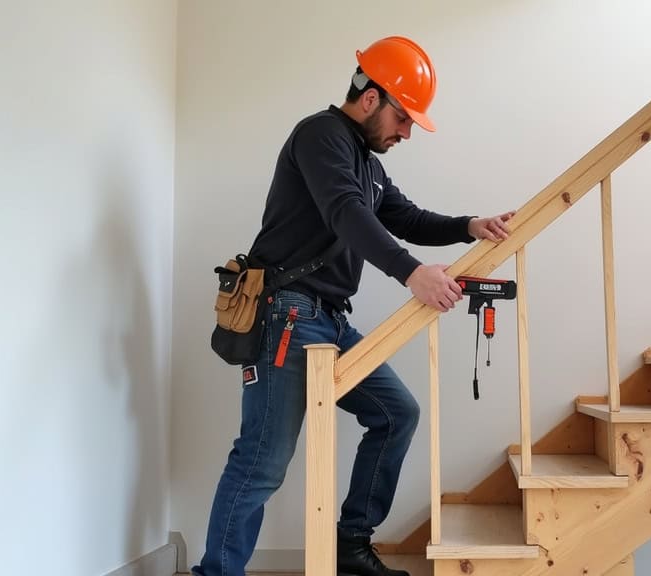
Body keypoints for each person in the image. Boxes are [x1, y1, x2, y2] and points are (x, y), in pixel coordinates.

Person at [192, 36, 515, 576]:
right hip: (288, 315)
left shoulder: (367, 163)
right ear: (371, 99)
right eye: (403, 118)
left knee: (396, 414)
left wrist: (468, 226)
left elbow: (406, 217)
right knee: (263, 460)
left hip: (328, 320)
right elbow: (345, 212)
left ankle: (350, 546)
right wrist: (411, 273)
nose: (407, 132)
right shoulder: (320, 136)